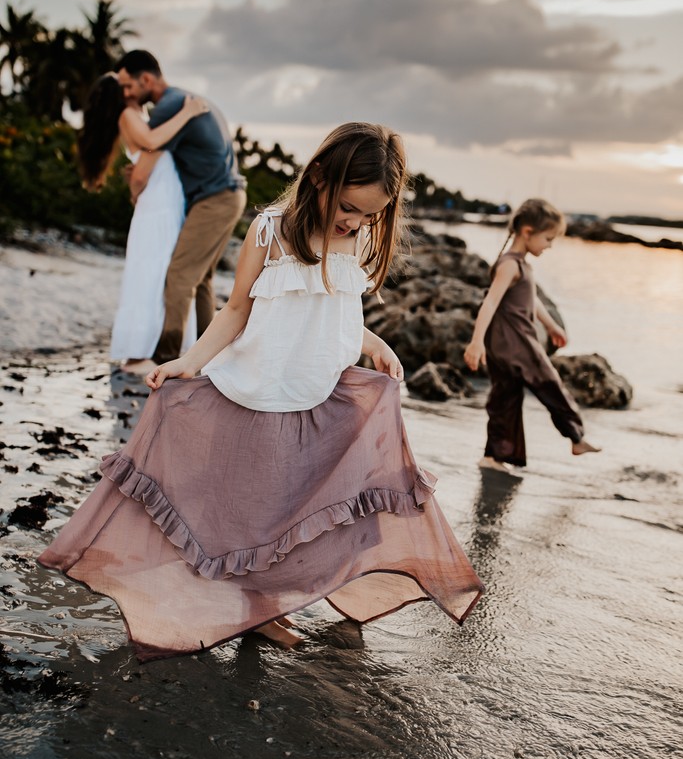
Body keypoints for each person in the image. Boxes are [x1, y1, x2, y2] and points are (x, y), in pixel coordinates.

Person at [39, 122, 482, 661]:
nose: (355, 221)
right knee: (257, 512)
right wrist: (189, 362)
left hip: (322, 398)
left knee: (308, 509)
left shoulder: (356, 239)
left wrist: (374, 343)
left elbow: (334, 309)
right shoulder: (271, 230)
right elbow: (236, 310)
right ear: (318, 176)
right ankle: (254, 609)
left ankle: (269, 604)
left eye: (369, 215)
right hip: (260, 397)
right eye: (348, 206)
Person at [116, 49, 247, 364]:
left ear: (146, 79)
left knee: (179, 276)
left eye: (128, 86)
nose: (126, 94)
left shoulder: (169, 107)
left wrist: (136, 190)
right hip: (229, 196)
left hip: (214, 200)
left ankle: (167, 358)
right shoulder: (184, 100)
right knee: (200, 279)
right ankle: (211, 356)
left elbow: (147, 160)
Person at [78, 73, 207, 373]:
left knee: (162, 270)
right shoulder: (128, 114)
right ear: (119, 94)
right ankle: (140, 352)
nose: (129, 86)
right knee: (153, 271)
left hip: (166, 200)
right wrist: (187, 113)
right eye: (122, 84)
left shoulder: (137, 113)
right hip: (158, 202)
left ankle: (156, 348)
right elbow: (152, 142)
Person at [463, 197, 600, 472]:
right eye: (548, 239)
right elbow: (490, 302)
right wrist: (476, 343)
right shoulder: (510, 265)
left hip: (506, 344)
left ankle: (494, 456)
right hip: (516, 344)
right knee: (549, 383)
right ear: (527, 232)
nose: (549, 246)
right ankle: (576, 437)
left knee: (505, 398)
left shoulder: (521, 265)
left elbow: (532, 301)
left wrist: (550, 326)